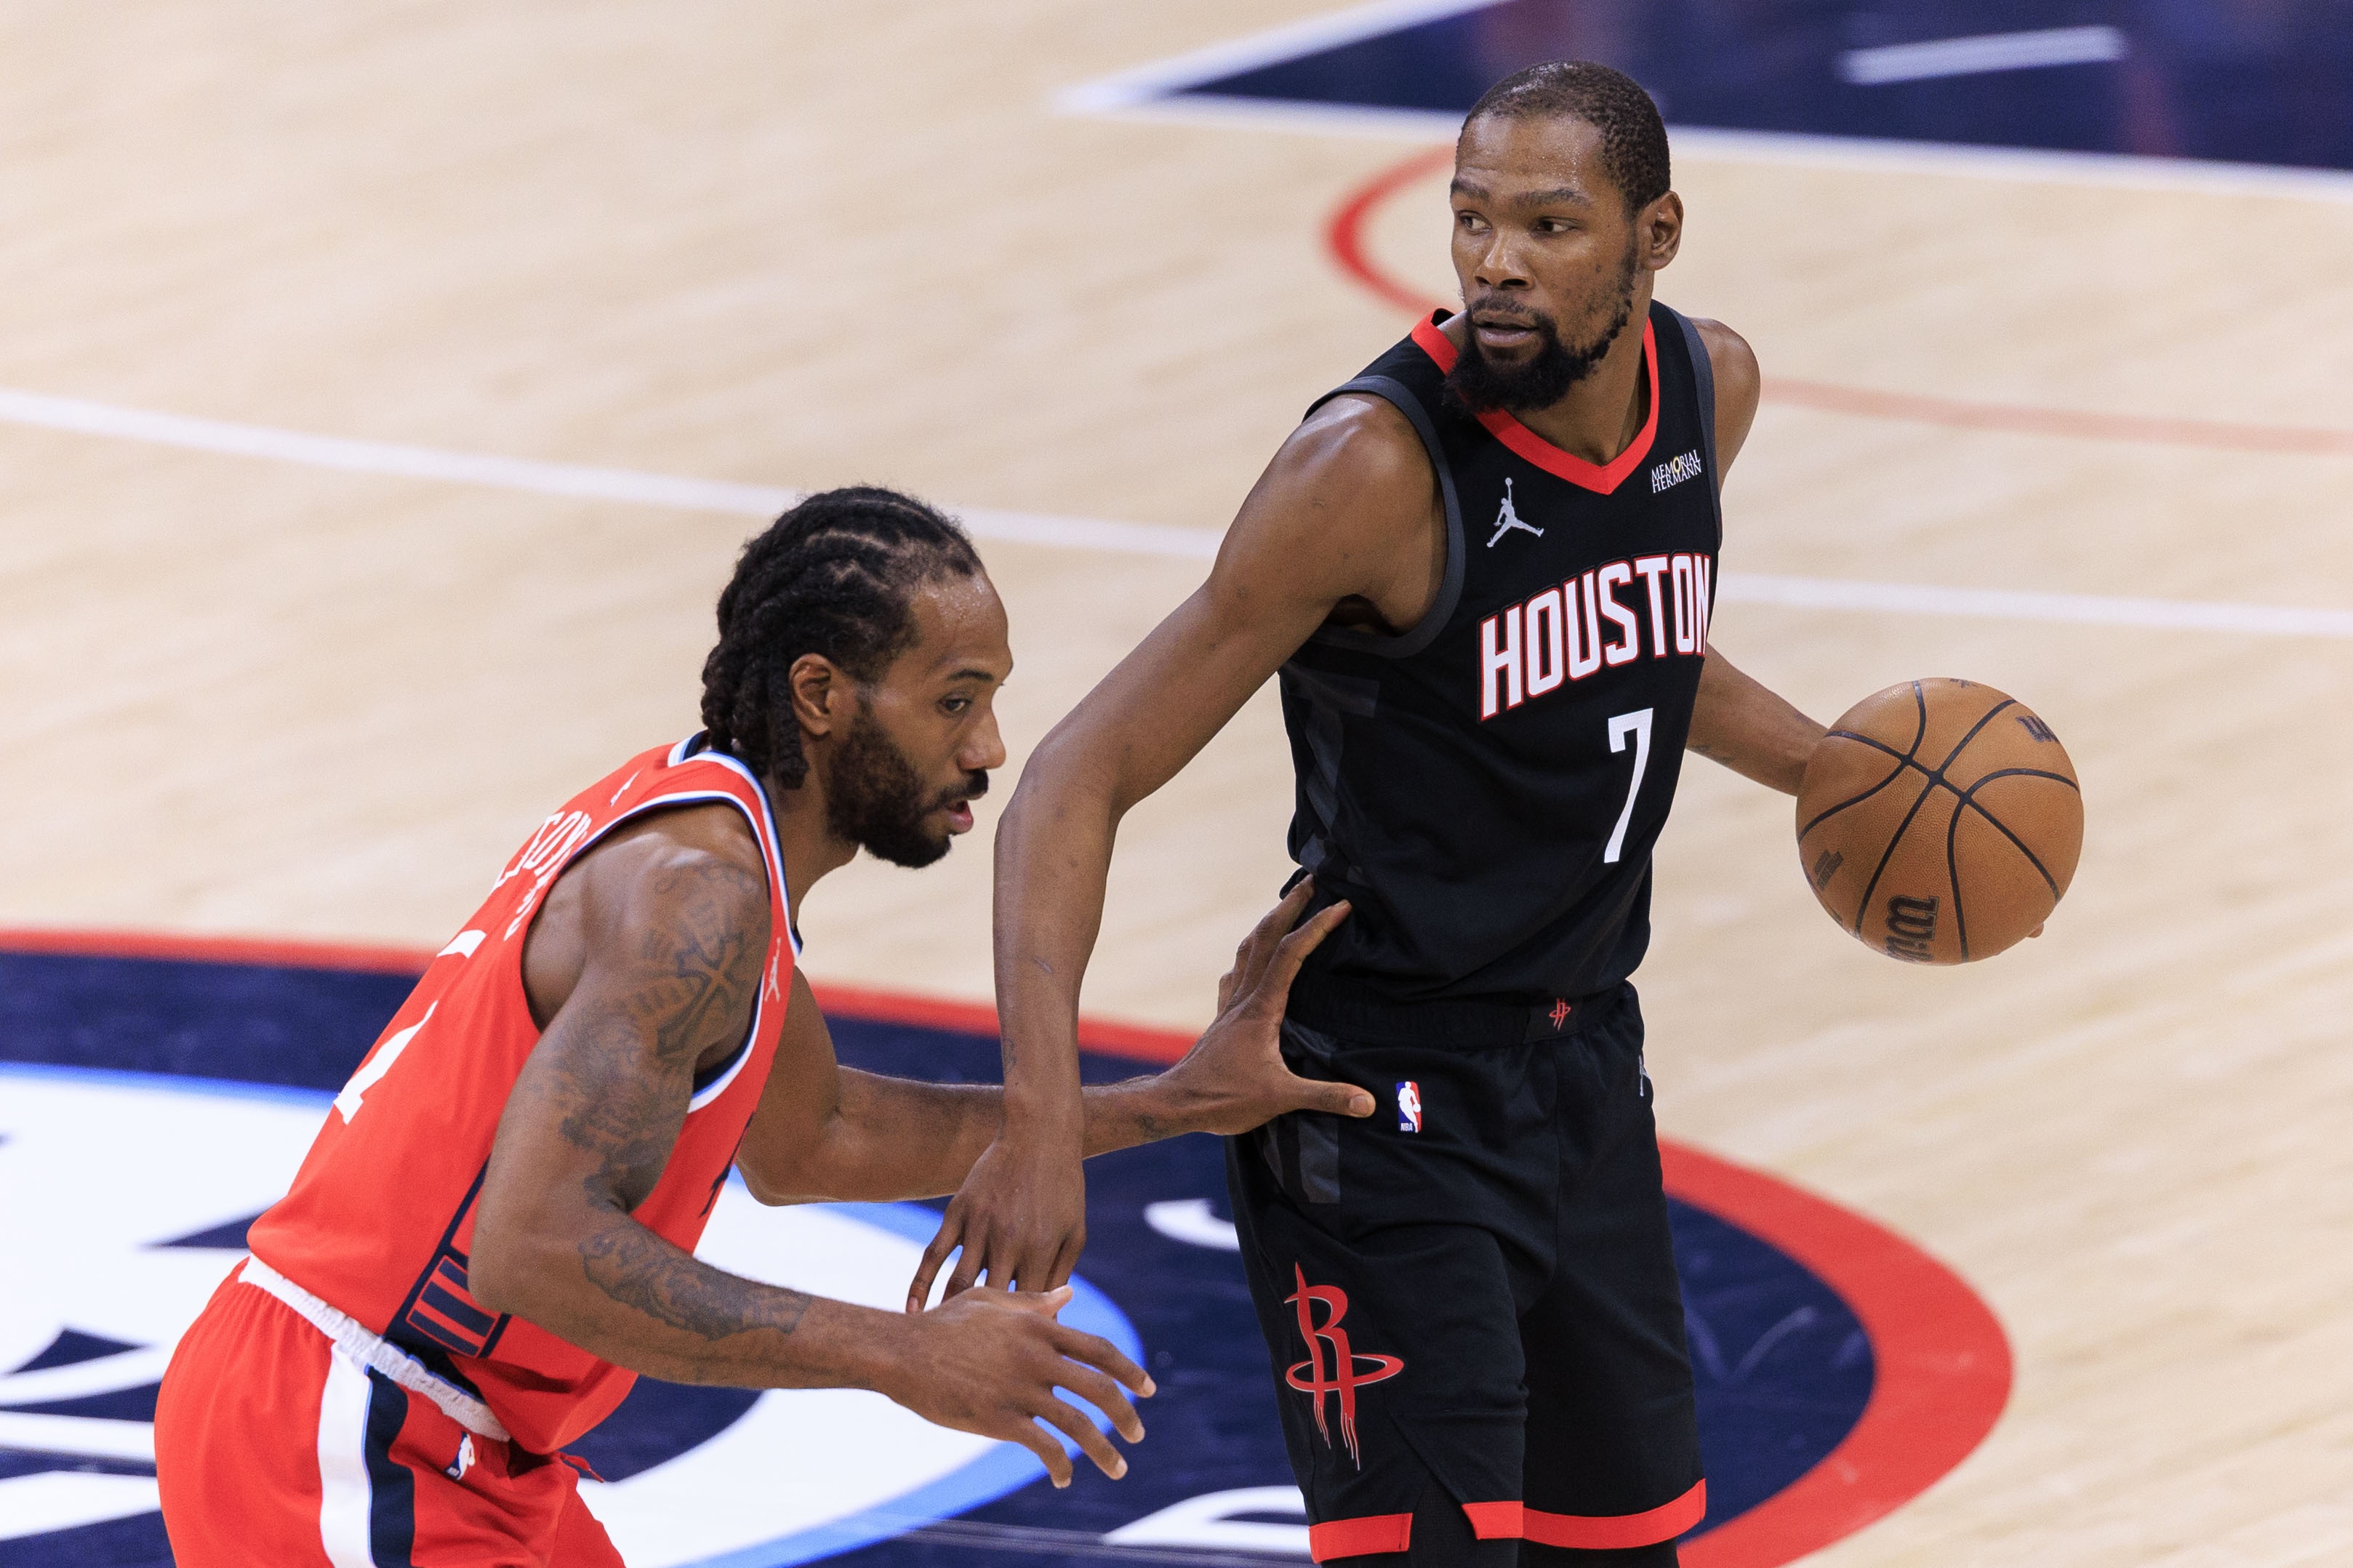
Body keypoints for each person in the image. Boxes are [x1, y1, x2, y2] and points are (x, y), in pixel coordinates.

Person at [153, 486, 1374, 1567]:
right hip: (347, 1428)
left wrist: (1174, 1101)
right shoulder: (702, 896)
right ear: (821, 694)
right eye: (954, 702)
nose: (988, 748)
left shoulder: (716, 842)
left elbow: (816, 1138)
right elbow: (529, 1246)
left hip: (444, 1436)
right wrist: (904, 1353)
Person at [971, 63, 1834, 1567]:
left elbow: (1632, 635)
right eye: (1472, 220)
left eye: (1548, 226)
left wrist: (1836, 770)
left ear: (1656, 237)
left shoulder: (1710, 392)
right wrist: (1042, 1118)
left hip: (1585, 1065)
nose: (1496, 262)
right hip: (1375, 1102)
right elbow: (1070, 779)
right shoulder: (1366, 471)